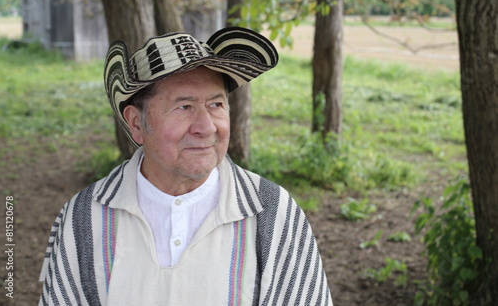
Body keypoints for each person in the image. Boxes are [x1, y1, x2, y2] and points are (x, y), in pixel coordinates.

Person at [39, 27, 333, 305]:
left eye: (216, 105)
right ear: (137, 123)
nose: (206, 127)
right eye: (184, 107)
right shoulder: (84, 217)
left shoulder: (272, 212)